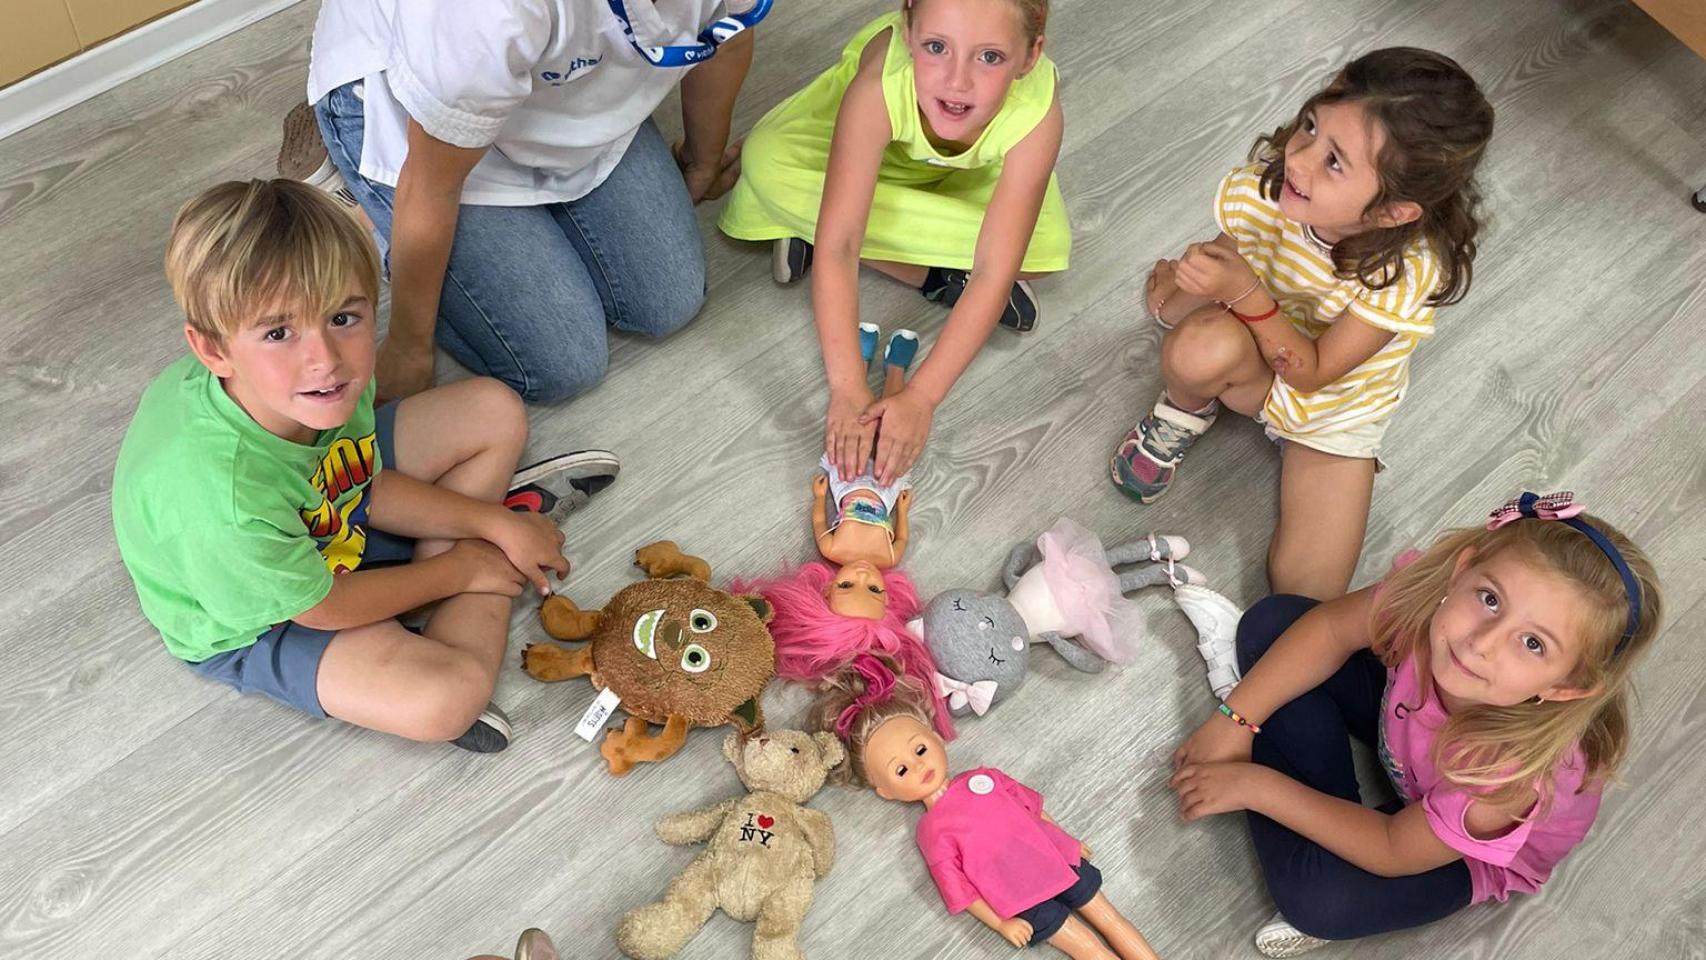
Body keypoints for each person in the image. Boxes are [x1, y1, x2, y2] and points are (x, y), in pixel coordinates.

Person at [112, 180, 618, 753]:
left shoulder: (319, 386)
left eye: (344, 318)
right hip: (267, 617)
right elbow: (323, 607)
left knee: (494, 410)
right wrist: (462, 570)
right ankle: (453, 594)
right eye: (278, 332)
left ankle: (461, 566)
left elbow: (358, 479)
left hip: (319, 521)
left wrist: (490, 525)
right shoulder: (221, 503)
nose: (324, 360)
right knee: (447, 699)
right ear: (214, 352)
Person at [1169, 492, 1663, 956]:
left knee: (1317, 900)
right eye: (1489, 599)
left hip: (1450, 850)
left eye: (1533, 644)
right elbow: (1330, 628)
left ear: (1564, 688)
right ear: (1462, 572)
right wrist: (1235, 717)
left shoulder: (1509, 778)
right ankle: (1325, 812)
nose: (1482, 643)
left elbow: (1391, 849)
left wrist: (1257, 786)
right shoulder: (1429, 599)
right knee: (1273, 624)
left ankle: (1314, 814)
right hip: (1409, 736)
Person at [1109, 48, 1494, 601]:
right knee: (1191, 346)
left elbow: (1313, 375)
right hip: (1257, 355)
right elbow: (1226, 258)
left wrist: (1239, 290)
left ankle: (1267, 431)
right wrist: (1177, 294)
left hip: (1334, 407)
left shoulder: (1408, 269)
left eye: (1334, 161)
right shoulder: (1266, 189)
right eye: (1310, 126)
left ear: (1393, 212)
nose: (1300, 158)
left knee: (1304, 595)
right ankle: (1183, 413)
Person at [301, 0, 764, 402]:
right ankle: (359, 196)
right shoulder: (485, 16)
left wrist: (701, 161)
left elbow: (727, 38)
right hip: (420, 114)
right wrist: (407, 346)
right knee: (561, 365)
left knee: (669, 302)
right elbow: (430, 184)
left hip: (564, 80)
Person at [720, 0, 1068, 486]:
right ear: (908, 29)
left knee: (1044, 248)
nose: (957, 81)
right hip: (837, 160)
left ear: (1030, 57)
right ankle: (940, 277)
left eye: (989, 57)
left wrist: (922, 397)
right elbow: (841, 243)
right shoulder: (880, 85)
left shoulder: (1037, 113)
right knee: (765, 164)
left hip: (954, 184)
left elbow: (995, 269)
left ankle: (807, 232)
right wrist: (846, 386)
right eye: (936, 47)